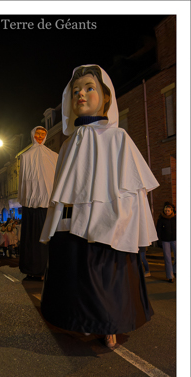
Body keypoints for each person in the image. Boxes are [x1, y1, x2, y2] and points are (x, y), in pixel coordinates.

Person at [40, 65, 160, 349]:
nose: (81, 94)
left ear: (106, 97)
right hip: (72, 227)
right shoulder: (68, 146)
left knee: (103, 280)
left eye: (89, 87)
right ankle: (78, 323)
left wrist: (122, 224)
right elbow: (65, 193)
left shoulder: (118, 139)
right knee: (77, 279)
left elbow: (130, 191)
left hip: (109, 228)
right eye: (76, 90)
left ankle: (109, 327)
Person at [18, 126, 58, 280]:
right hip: (31, 205)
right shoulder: (26, 156)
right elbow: (23, 181)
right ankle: (33, 268)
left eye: (43, 134)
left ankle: (49, 268)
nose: (40, 136)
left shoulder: (53, 156)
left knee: (49, 238)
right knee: (33, 238)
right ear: (32, 135)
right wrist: (25, 199)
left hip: (49, 204)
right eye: (37, 133)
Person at [156, 202, 176, 283]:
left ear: (172, 211)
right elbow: (158, 231)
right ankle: (170, 276)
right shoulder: (161, 220)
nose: (167, 212)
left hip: (175, 239)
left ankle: (175, 271)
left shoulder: (175, 219)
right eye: (166, 210)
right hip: (165, 241)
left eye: (168, 210)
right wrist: (159, 241)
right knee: (167, 259)